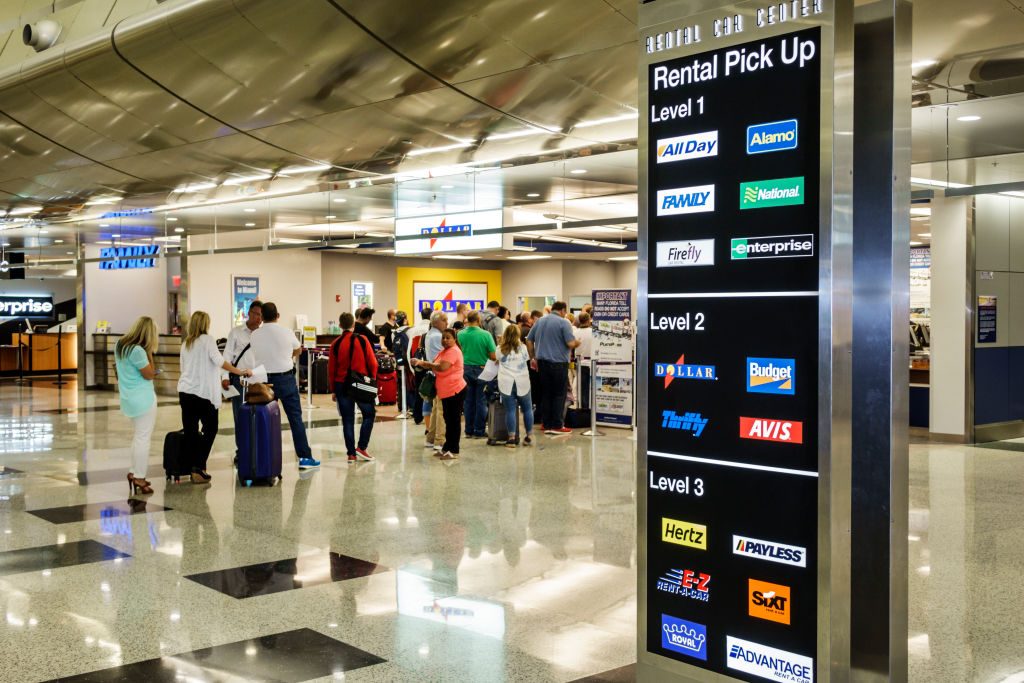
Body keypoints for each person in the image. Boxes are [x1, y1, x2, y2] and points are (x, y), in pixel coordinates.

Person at [178, 311, 251, 483]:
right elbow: (220, 361)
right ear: (205, 324)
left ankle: (193, 468)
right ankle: (198, 466)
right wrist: (238, 371)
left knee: (191, 431)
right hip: (203, 394)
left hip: (185, 392)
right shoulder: (207, 340)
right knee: (211, 428)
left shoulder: (185, 343)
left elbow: (183, 368)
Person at [250, 302, 320, 469]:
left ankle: (261, 458)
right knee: (295, 419)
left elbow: (256, 353)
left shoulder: (255, 335)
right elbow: (298, 350)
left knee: (263, 419)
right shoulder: (287, 332)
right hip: (286, 379)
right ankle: (304, 458)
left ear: (262, 317)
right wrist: (288, 355)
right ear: (278, 315)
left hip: (264, 382)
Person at [115, 316, 160, 495]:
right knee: (143, 438)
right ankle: (139, 476)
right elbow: (150, 374)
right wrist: (149, 352)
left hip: (128, 398)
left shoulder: (120, 345)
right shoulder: (139, 351)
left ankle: (134, 471)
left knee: (138, 436)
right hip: (144, 399)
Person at [328, 312, 378, 463]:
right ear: (353, 324)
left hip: (341, 384)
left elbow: (331, 369)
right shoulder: (362, 340)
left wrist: (333, 390)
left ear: (340, 325)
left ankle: (351, 454)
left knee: (347, 419)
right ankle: (362, 447)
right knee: (369, 414)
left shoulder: (335, 343)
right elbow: (373, 363)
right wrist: (372, 380)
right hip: (360, 383)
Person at [526, 301, 580, 435]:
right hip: (558, 364)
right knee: (559, 394)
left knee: (546, 394)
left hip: (542, 363)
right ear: (562, 310)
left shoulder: (540, 321)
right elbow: (570, 343)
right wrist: (578, 342)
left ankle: (546, 423)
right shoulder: (564, 323)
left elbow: (529, 340)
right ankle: (556, 425)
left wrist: (533, 357)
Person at [414, 328, 466, 461]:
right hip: (445, 391)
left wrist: (423, 363)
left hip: (455, 390)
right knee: (448, 420)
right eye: (443, 337)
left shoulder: (453, 351)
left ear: (454, 339)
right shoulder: (444, 351)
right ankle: (446, 448)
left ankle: (454, 450)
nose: (445, 340)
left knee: (453, 421)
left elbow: (442, 367)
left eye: (448, 337)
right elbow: (435, 365)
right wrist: (422, 364)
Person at [222, 300, 262, 464]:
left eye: (261, 315)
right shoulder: (236, 333)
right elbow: (227, 357)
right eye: (256, 314)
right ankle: (242, 450)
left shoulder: (263, 334)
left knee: (258, 416)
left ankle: (256, 449)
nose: (259, 318)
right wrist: (225, 377)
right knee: (240, 417)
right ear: (249, 313)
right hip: (239, 381)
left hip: (258, 381)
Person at [459, 310, 497, 439]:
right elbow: (493, 356)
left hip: (465, 369)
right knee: (481, 401)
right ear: (478, 320)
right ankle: (479, 430)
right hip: (482, 369)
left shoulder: (460, 334)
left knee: (468, 401)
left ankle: (468, 430)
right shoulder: (486, 335)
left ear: (467, 320)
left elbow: (459, 351)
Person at [496, 324, 535, 448]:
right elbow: (527, 359)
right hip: (522, 381)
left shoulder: (500, 348)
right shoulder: (523, 348)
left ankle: (511, 438)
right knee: (527, 409)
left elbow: (497, 360)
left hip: (506, 382)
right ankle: (529, 436)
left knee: (510, 410)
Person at [423, 310, 448, 451]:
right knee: (441, 410)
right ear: (437, 322)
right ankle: (439, 440)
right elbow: (445, 357)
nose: (447, 323)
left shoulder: (430, 335)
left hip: (435, 375)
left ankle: (431, 438)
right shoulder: (438, 337)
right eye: (444, 320)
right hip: (441, 376)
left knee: (435, 409)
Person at [405, 307, 432, 424]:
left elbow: (409, 350)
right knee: (430, 391)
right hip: (430, 364)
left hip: (417, 365)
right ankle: (429, 417)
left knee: (418, 390)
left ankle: (417, 416)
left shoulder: (414, 330)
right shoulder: (432, 330)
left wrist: (412, 368)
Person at [574, 312, 594, 410]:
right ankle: (590, 407)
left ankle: (583, 407)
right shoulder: (593, 332)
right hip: (592, 363)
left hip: (580, 363)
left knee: (581, 387)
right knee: (591, 387)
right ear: (588, 319)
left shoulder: (575, 332)